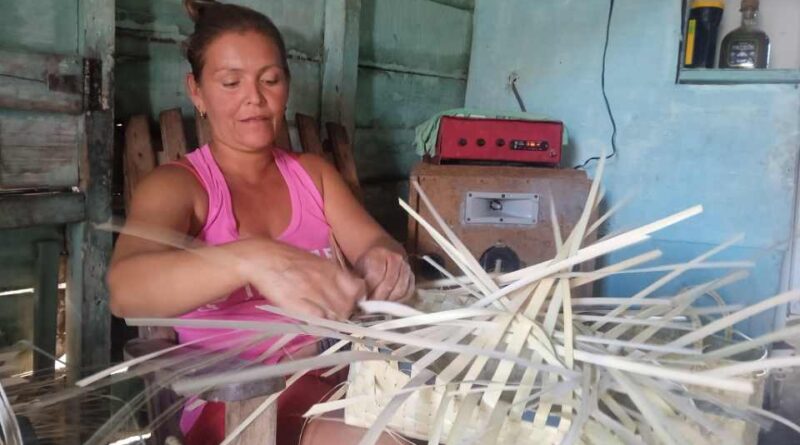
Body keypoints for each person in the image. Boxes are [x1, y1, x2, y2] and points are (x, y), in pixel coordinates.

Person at [107, 2, 414, 444]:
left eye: (270, 80)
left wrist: (384, 261)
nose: (254, 97)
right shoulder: (179, 188)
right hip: (240, 403)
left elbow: (375, 245)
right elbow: (125, 291)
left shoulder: (313, 176)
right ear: (197, 91)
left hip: (340, 376)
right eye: (231, 82)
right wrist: (251, 258)